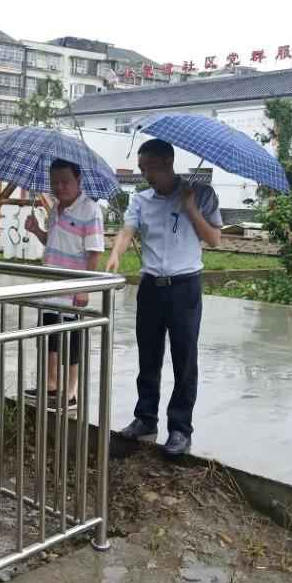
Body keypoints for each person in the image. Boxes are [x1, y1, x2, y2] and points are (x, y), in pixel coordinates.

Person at [105, 139, 223, 457]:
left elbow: (213, 238)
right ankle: (145, 418)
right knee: (149, 356)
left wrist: (191, 209)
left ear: (169, 162)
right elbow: (127, 231)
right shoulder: (141, 199)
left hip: (185, 287)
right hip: (151, 287)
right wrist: (116, 254)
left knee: (185, 359)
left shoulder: (201, 194)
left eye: (151, 168)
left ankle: (180, 429)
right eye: (143, 169)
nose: (146, 175)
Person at [24, 158, 104, 405]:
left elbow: (95, 252)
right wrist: (37, 230)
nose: (59, 187)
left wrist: (84, 289)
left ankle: (70, 392)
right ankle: (50, 384)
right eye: (55, 182)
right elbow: (53, 242)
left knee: (71, 341)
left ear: (78, 180)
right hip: (50, 285)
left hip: (72, 288)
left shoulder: (90, 210)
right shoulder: (56, 208)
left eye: (65, 182)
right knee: (49, 337)